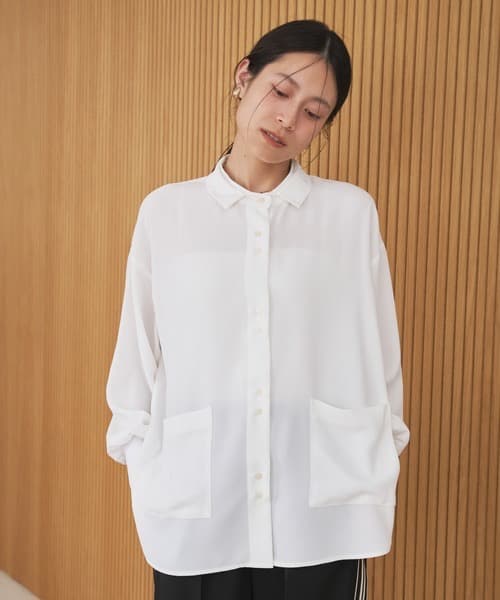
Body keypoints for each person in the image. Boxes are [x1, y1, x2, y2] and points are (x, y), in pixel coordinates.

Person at [105, 19, 410, 600]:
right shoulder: (167, 213)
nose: (288, 119)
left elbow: (379, 352)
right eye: (281, 91)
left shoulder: (349, 215)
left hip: (319, 509)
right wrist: (144, 463)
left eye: (313, 112)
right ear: (244, 77)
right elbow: (137, 357)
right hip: (197, 505)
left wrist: (376, 453)